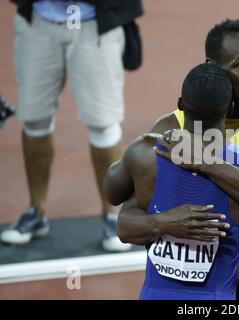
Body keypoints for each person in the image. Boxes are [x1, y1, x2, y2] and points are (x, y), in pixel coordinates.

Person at [109, 19, 239, 300]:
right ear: (213, 66)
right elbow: (125, 214)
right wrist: (161, 222)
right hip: (202, 282)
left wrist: (207, 162)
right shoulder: (174, 129)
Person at [105, 63, 239, 299]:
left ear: (180, 105)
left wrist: (160, 221)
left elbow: (112, 192)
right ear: (231, 108)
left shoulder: (145, 152)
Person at [1, 0, 143, 252]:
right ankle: (36, 211)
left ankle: (113, 215)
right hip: (37, 20)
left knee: (103, 124)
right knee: (34, 120)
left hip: (94, 24)